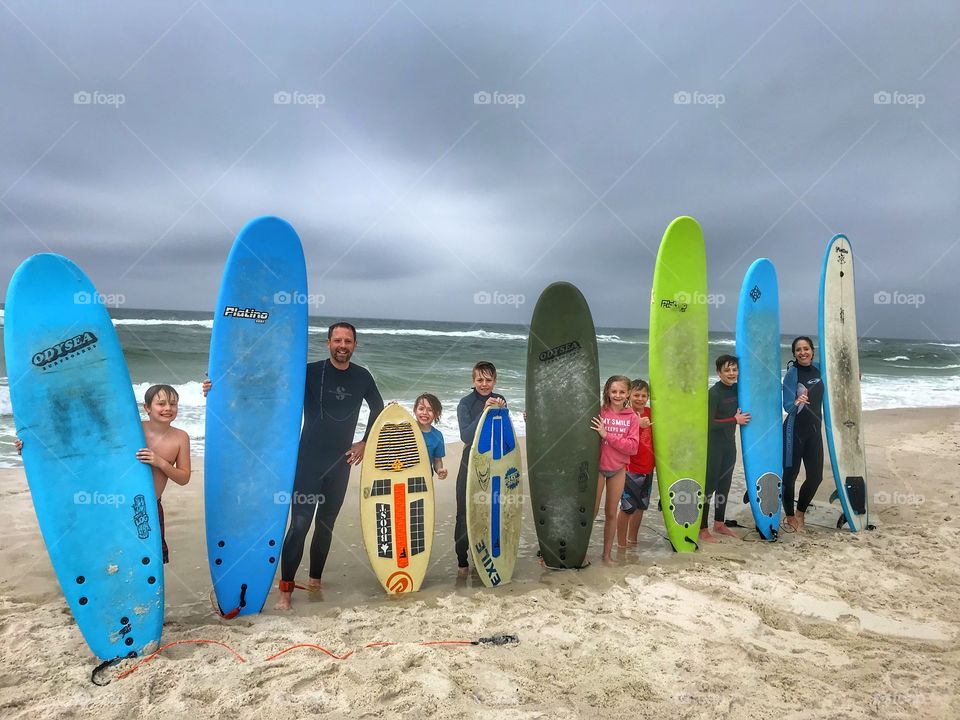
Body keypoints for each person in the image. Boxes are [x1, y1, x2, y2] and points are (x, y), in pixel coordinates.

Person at [202, 321, 384, 609]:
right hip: (309, 460)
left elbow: (378, 407)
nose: (342, 346)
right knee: (300, 524)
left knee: (326, 525)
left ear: (355, 345)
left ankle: (315, 581)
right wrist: (219, 386)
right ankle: (285, 591)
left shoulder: (362, 377)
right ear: (328, 343)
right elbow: (268, 387)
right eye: (337, 340)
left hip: (340, 463)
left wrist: (364, 442)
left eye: (348, 341)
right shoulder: (309, 372)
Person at [16, 384, 191, 564]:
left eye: (173, 404)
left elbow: (184, 478)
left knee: (150, 558)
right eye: (161, 404)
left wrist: (160, 462)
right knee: (116, 553)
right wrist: (30, 449)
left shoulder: (180, 438)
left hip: (150, 507)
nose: (168, 408)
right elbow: (84, 446)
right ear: (147, 407)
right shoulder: (133, 430)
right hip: (118, 502)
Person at [455, 361, 506, 576]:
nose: (484, 384)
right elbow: (466, 435)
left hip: (494, 462)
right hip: (470, 462)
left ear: (494, 381)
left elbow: (504, 436)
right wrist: (484, 411)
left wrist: (503, 411)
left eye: (488, 380)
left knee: (489, 512)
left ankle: (485, 558)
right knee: (464, 513)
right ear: (473, 380)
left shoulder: (501, 401)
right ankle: (462, 561)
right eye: (479, 380)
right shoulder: (465, 404)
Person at [700, 355, 750, 543]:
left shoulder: (738, 389)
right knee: (709, 487)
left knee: (725, 485)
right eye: (727, 370)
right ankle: (703, 527)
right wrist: (733, 420)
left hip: (729, 445)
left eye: (734, 369)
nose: (731, 373)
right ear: (719, 372)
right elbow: (708, 423)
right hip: (714, 446)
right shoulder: (714, 394)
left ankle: (719, 523)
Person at [591, 375, 640, 564]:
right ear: (607, 392)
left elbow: (632, 448)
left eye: (621, 392)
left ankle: (606, 555)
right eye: (614, 391)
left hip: (618, 469)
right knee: (592, 512)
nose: (617, 395)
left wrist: (607, 435)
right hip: (598, 469)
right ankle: (581, 551)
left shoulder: (632, 418)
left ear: (628, 393)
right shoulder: (599, 412)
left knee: (611, 513)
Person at [781, 336, 823, 533]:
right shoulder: (792, 373)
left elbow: (838, 378)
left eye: (806, 348)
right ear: (794, 353)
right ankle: (789, 515)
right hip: (794, 429)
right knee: (791, 474)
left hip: (814, 429)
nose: (803, 352)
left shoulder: (820, 368)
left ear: (812, 351)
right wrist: (796, 402)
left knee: (816, 477)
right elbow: (787, 405)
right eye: (798, 350)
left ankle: (800, 512)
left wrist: (854, 375)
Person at [616, 379, 654, 548]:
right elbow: (621, 441)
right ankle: (621, 544)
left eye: (644, 395)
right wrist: (638, 425)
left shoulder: (651, 412)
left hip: (648, 468)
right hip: (630, 469)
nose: (640, 399)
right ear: (629, 395)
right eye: (636, 395)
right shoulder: (625, 414)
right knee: (627, 508)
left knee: (641, 506)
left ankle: (633, 540)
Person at [414, 393, 448, 479]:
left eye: (430, 410)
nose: (424, 413)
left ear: (436, 414)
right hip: (403, 476)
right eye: (421, 409)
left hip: (425, 478)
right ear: (415, 410)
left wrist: (439, 469)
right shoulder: (407, 428)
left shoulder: (437, 436)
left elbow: (437, 460)